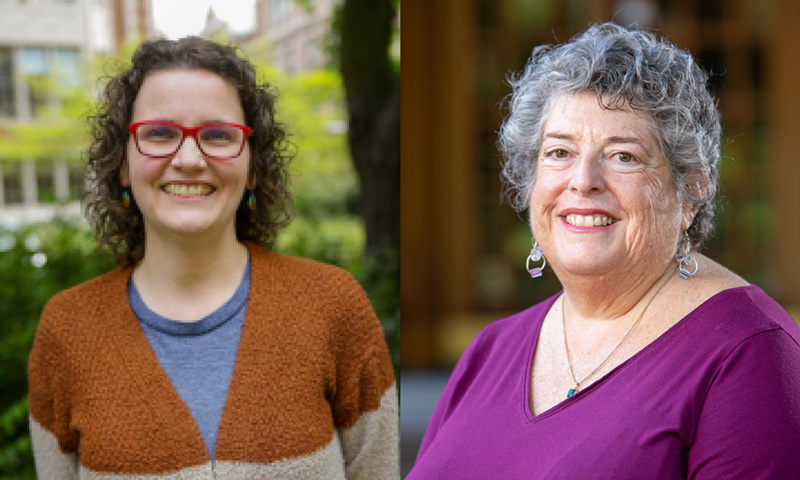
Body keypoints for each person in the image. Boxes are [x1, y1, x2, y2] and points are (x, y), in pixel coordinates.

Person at [407, 22, 800, 479]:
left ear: (690, 194)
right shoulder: (490, 349)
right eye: (559, 152)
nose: (583, 180)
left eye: (623, 155)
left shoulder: (750, 352)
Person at [28, 37, 398, 479]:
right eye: (160, 134)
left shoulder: (334, 306)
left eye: (218, 135)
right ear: (122, 164)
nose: (188, 159)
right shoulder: (67, 331)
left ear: (254, 165)